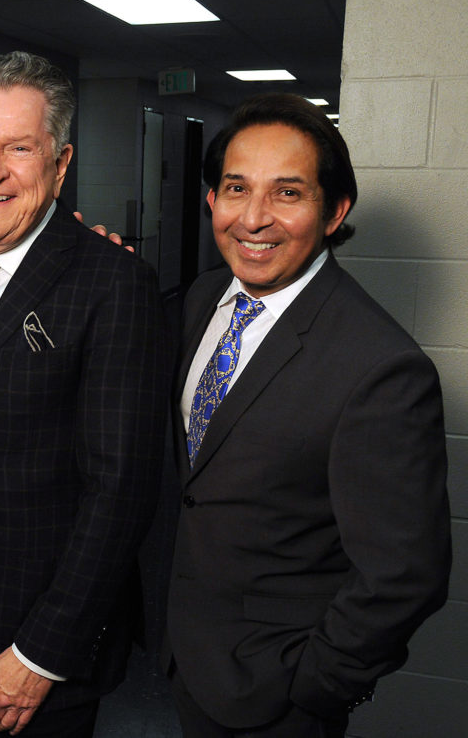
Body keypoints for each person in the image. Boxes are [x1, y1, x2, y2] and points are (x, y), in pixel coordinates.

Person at [164, 93, 451, 737]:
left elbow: (406, 574)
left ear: (334, 211)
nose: (254, 218)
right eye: (236, 188)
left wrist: (314, 689)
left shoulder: (381, 368)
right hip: (184, 655)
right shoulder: (204, 297)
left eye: (288, 193)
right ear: (212, 197)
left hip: (276, 692)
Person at [0, 51, 170, 737]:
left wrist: (42, 652)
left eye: (19, 148)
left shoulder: (114, 285)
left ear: (60, 162)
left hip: (27, 656)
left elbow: (122, 490)